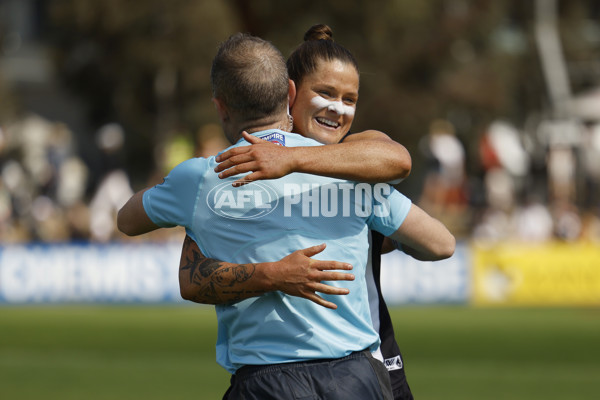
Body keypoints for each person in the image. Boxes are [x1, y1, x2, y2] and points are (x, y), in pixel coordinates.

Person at [118, 32, 454, 399]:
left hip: (266, 380)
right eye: (327, 94)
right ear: (290, 95)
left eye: (348, 99)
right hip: (358, 374)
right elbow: (441, 243)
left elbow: (128, 221)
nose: (337, 109)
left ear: (220, 107)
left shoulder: (201, 178)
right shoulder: (356, 173)